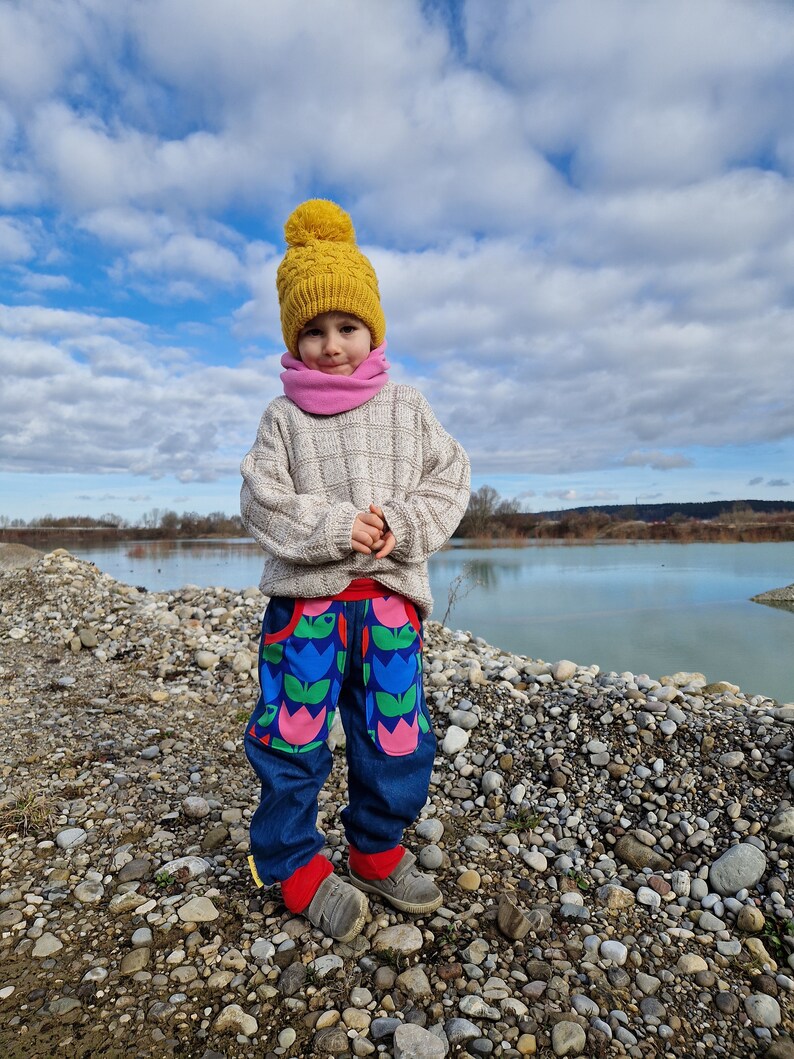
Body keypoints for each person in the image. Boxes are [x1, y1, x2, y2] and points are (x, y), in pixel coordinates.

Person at [240, 198, 470, 942]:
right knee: (292, 735)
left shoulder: (408, 406)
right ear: (292, 339)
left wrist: (400, 523)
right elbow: (262, 501)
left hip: (391, 610)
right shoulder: (283, 418)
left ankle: (375, 849)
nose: (331, 346)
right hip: (308, 609)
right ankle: (291, 861)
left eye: (346, 326)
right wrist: (341, 526)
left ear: (373, 327)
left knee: (395, 738)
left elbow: (450, 479)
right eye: (312, 331)